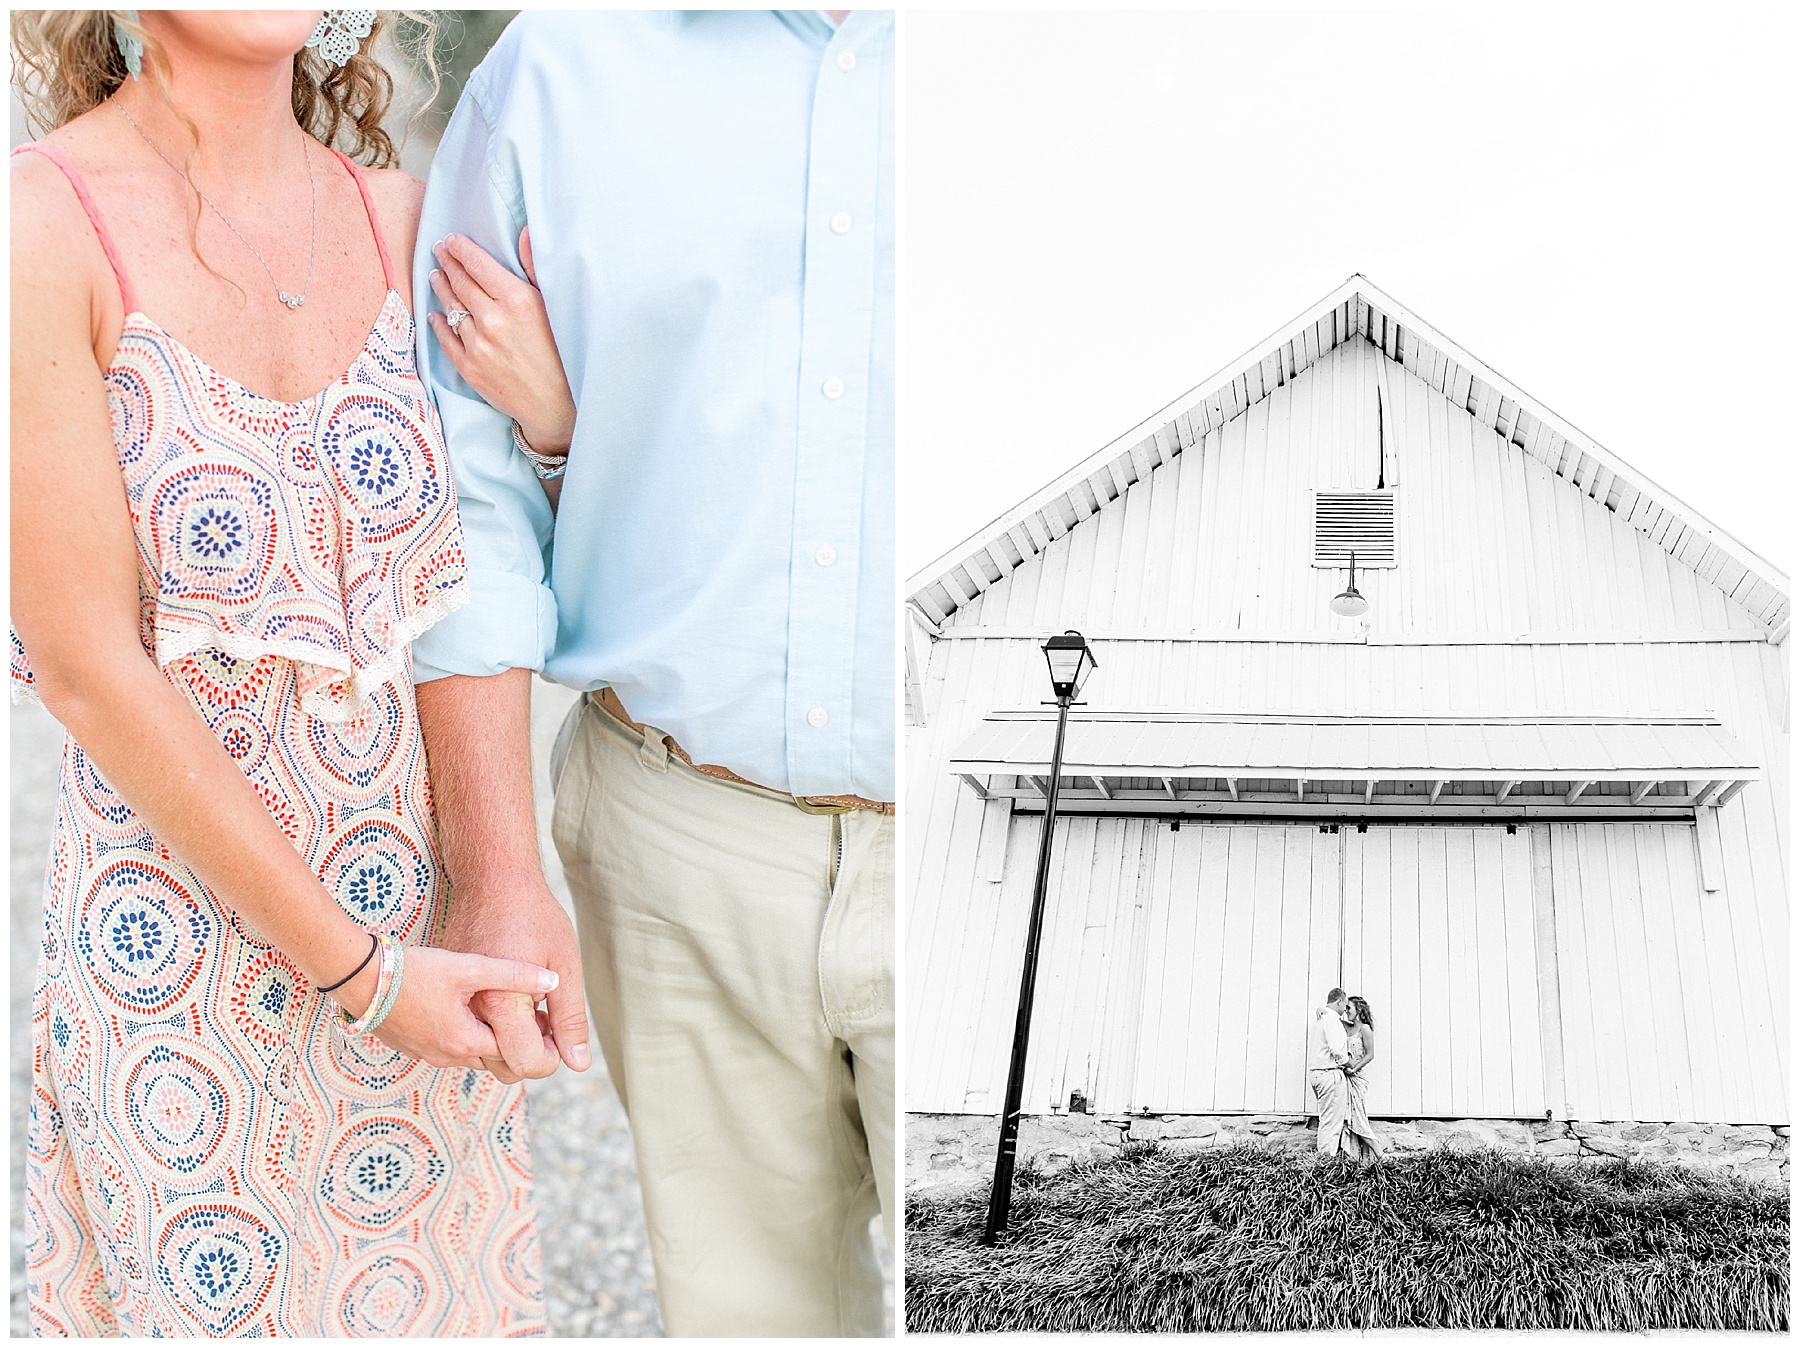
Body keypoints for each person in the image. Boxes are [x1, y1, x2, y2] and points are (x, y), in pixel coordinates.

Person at [9, 10, 573, 1335]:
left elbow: (477, 579)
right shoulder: (38, 229)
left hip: (429, 960)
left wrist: (551, 426)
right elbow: (87, 669)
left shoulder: (407, 218)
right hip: (182, 974)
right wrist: (358, 974)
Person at [408, 10, 895, 1336]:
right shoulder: (558, 71)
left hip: (962, 837)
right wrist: (494, 868)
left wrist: (580, 429)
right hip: (680, 836)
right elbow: (466, 483)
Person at [1308, 987, 1354, 1158]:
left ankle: (1325, 1158)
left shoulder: (1322, 1018)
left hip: (1317, 1074)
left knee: (1326, 1118)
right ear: (1339, 1001)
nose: (1345, 1009)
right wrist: (1348, 1064)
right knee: (1332, 1121)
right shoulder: (1332, 1020)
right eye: (1345, 1005)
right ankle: (1326, 1160)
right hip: (1329, 1074)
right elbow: (1337, 1049)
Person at [1342, 994, 1384, 1164]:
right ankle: (1364, 1160)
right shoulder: (1348, 1028)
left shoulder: (1364, 1029)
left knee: (1357, 1115)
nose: (1346, 1012)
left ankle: (1379, 1152)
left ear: (1358, 1009)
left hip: (1357, 1076)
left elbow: (1370, 1054)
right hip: (1346, 1076)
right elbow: (1328, 1016)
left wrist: (1355, 1069)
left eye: (1349, 1008)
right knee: (1355, 1115)